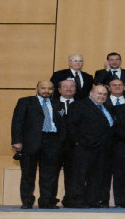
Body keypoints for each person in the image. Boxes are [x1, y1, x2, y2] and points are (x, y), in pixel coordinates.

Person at [11, 81, 65, 209]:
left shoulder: (58, 103)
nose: (46, 91)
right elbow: (17, 122)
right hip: (31, 142)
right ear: (37, 88)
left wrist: (61, 141)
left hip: (52, 141)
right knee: (28, 174)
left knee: (50, 175)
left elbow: (63, 124)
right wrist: (16, 141)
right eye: (43, 88)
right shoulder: (25, 101)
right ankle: (27, 201)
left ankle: (46, 202)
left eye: (50, 89)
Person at [67, 85, 115, 208]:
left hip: (102, 148)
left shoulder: (107, 107)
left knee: (97, 176)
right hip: (84, 148)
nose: (102, 96)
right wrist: (78, 143)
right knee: (80, 176)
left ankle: (92, 200)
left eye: (105, 94)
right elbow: (71, 126)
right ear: (91, 93)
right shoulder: (79, 105)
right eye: (99, 93)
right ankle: (76, 201)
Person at [54, 80, 76, 208]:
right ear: (59, 89)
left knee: (73, 175)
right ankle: (49, 199)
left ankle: (70, 200)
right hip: (55, 146)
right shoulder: (52, 104)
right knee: (51, 174)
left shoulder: (82, 105)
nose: (68, 89)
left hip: (74, 147)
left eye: (72, 86)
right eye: (65, 87)